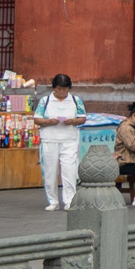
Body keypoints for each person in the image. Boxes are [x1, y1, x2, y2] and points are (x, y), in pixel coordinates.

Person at [33, 74, 87, 209]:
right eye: (59, 89)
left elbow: (82, 118)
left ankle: (69, 200)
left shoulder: (75, 100)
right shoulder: (45, 101)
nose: (62, 92)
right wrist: (48, 121)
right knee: (50, 171)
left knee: (69, 170)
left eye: (65, 89)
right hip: (49, 139)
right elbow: (37, 119)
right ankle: (53, 201)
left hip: (69, 139)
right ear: (54, 88)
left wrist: (73, 121)